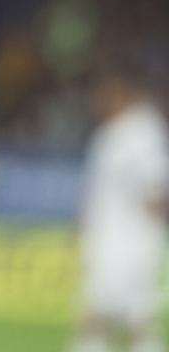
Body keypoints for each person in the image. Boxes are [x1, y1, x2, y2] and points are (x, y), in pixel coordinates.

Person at [71, 69, 169, 352]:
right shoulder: (111, 133)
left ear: (121, 94)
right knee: (111, 318)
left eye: (104, 95)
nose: (98, 102)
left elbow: (157, 189)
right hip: (107, 239)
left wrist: (148, 241)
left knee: (128, 320)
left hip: (129, 244)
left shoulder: (142, 131)